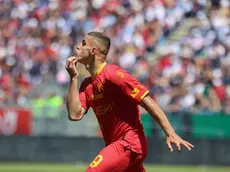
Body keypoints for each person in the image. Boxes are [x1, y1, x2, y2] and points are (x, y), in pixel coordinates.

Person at [65, 32, 194, 172]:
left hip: (129, 143)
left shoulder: (113, 75)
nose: (78, 46)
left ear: (93, 50)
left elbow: (147, 101)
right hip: (116, 146)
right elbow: (75, 114)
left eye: (83, 43)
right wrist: (73, 78)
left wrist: (170, 132)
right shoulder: (86, 84)